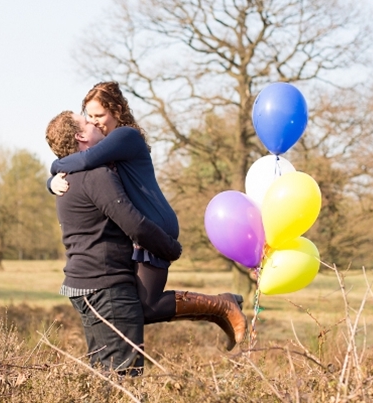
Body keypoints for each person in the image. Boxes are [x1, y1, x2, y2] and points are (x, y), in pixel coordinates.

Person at [48, 89, 247, 350]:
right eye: (89, 116)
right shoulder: (105, 146)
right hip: (140, 229)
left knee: (145, 307)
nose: (94, 121)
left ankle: (222, 305)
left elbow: (86, 159)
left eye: (99, 115)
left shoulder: (124, 136)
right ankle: (220, 307)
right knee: (138, 309)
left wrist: (54, 170)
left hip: (154, 225)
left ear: (116, 111)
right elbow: (84, 164)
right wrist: (52, 181)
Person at [45, 111, 183, 375]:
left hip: (83, 286)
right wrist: (170, 248)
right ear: (80, 136)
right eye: (87, 121)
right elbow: (134, 224)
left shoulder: (67, 179)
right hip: (107, 287)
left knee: (105, 375)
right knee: (124, 377)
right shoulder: (95, 175)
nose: (95, 123)